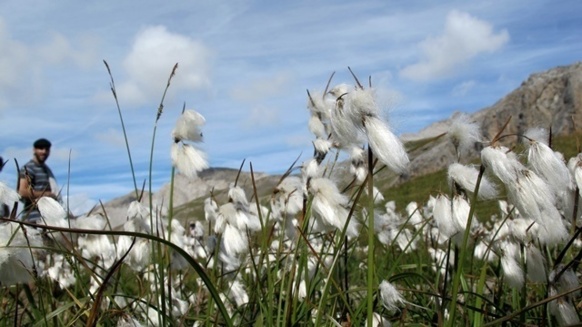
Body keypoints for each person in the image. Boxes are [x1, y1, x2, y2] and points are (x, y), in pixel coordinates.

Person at [18, 138, 60, 223]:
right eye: (41, 148)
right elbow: (22, 192)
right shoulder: (28, 168)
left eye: (47, 149)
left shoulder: (46, 170)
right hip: (33, 220)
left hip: (47, 219)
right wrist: (47, 195)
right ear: (34, 149)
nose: (44, 152)